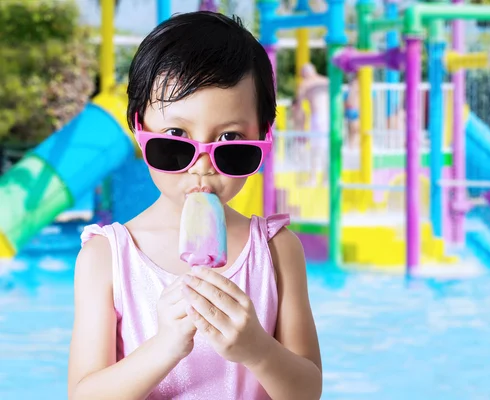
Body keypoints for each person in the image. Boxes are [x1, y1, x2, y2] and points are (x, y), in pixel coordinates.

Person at [67, 12, 322, 400]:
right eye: (175, 137)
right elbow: (84, 394)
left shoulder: (277, 250)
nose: (202, 166)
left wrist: (258, 350)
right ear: (139, 127)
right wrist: (164, 347)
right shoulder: (106, 257)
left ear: (262, 135)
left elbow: (308, 390)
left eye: (230, 138)